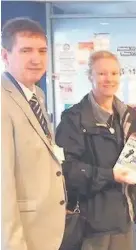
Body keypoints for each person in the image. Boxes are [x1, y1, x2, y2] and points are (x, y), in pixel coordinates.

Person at [55, 50, 136, 250]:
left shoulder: (128, 115)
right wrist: (110, 175)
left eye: (114, 73)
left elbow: (135, 167)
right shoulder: (73, 118)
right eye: (102, 73)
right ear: (90, 77)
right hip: (90, 220)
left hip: (124, 215)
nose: (109, 79)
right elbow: (67, 171)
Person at [1, 17, 66, 250]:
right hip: (22, 235)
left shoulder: (36, 94)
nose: (36, 59)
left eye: (42, 50)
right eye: (26, 50)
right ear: (5, 55)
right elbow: (3, 184)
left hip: (45, 228)